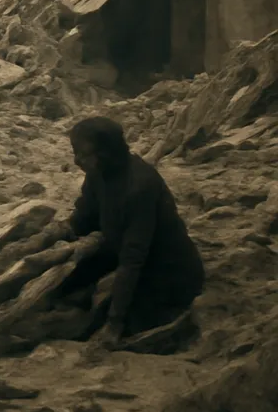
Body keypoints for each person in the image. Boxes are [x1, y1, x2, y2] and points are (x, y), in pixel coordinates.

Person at [60, 117, 205, 349]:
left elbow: (133, 258)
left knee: (119, 322)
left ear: (107, 153)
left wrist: (114, 322)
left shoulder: (139, 187)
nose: (77, 161)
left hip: (165, 268)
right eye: (75, 153)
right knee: (65, 284)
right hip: (119, 248)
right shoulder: (98, 172)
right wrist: (62, 233)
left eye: (85, 154)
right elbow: (85, 214)